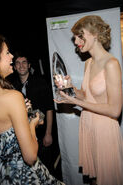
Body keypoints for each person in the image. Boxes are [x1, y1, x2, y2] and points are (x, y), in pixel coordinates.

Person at [0, 33, 64, 185]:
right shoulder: (12, 95)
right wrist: (32, 122)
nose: (11, 57)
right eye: (7, 52)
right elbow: (30, 156)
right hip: (19, 174)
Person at [54, 15, 123, 185]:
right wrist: (71, 89)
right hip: (88, 126)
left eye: (80, 35)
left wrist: (76, 102)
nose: (76, 41)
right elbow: (88, 96)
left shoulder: (111, 64)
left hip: (104, 130)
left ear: (95, 34)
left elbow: (115, 110)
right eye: (75, 37)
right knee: (94, 180)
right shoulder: (89, 63)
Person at [6, 51, 58, 175]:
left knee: (46, 170)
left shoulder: (40, 82)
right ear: (14, 67)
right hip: (23, 136)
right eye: (17, 63)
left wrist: (48, 133)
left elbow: (49, 108)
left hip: (41, 134)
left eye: (24, 62)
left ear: (29, 65)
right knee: (30, 172)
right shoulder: (11, 86)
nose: (21, 65)